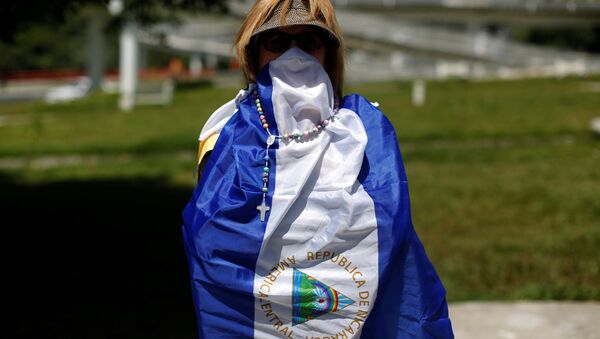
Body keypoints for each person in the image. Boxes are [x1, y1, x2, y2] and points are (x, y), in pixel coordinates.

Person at [182, 0, 454, 338]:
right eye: (277, 43)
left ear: (327, 53)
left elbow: (395, 242)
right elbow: (211, 245)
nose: (293, 56)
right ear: (253, 54)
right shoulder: (223, 138)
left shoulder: (365, 131)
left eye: (309, 42)